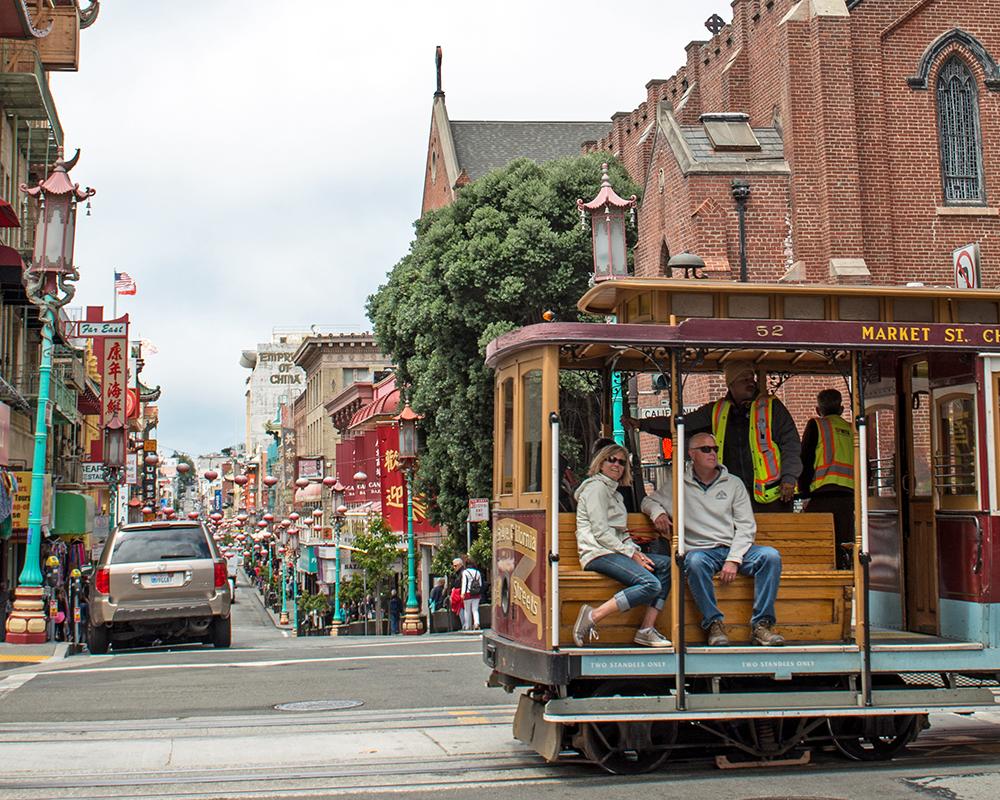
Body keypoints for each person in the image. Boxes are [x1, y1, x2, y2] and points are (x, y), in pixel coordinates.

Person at [641, 431, 785, 647]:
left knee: (770, 556)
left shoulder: (733, 483)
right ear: (692, 454)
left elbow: (746, 526)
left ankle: (761, 625)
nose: (712, 453)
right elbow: (647, 501)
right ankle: (714, 624)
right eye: (706, 449)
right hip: (701, 552)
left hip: (731, 548)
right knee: (694, 562)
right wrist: (658, 513)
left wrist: (734, 559)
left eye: (715, 449)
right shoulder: (679, 484)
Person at [625, 360, 801, 513]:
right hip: (731, 494)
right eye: (744, 379)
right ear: (731, 384)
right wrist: (643, 424)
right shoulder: (718, 410)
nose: (751, 383)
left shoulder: (772, 407)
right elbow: (683, 424)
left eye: (752, 379)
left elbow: (790, 442)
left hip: (771, 496)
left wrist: (789, 478)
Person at [572, 443, 672, 648]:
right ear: (601, 462)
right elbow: (600, 533)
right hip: (597, 553)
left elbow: (621, 532)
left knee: (667, 565)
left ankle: (646, 629)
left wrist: (635, 551)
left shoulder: (615, 494)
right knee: (650, 584)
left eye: (622, 462)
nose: (617, 465)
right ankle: (593, 615)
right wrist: (632, 555)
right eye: (612, 460)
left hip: (615, 552)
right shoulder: (596, 488)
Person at [800, 388, 855, 569]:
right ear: (842, 409)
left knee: (819, 545)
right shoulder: (852, 428)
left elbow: (805, 461)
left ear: (818, 410)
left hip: (822, 496)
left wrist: (804, 494)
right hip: (849, 499)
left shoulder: (817, 425)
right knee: (846, 545)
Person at [460, 557, 483, 631]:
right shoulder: (478, 572)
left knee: (467, 610)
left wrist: (462, 593)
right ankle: (476, 623)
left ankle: (467, 625)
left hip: (467, 593)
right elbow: (480, 584)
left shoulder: (465, 572)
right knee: (475, 609)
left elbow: (464, 583)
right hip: (476, 593)